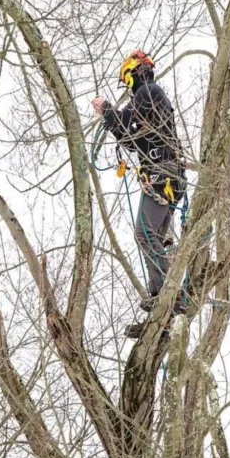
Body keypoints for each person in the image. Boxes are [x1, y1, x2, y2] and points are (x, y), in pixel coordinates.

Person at [92, 50, 187, 324]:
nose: (130, 89)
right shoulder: (149, 103)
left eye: (128, 81)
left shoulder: (149, 91)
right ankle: (160, 296)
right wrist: (112, 119)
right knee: (151, 237)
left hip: (163, 174)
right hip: (166, 174)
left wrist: (106, 108)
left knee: (144, 233)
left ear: (135, 74)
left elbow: (121, 121)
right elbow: (129, 138)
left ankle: (169, 292)